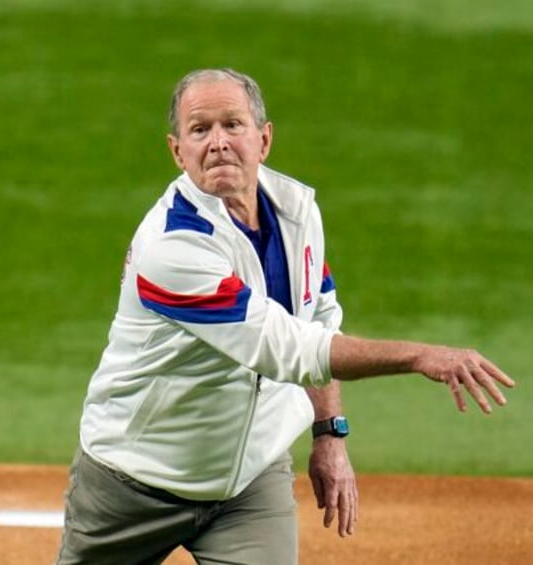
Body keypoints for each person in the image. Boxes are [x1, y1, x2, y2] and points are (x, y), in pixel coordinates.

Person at [55, 68, 514, 565]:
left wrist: (329, 432)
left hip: (250, 482)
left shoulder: (297, 211)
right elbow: (289, 350)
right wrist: (420, 355)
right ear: (177, 150)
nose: (218, 143)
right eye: (199, 129)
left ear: (264, 138)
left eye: (233, 124)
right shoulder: (172, 248)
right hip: (135, 481)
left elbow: (317, 316)